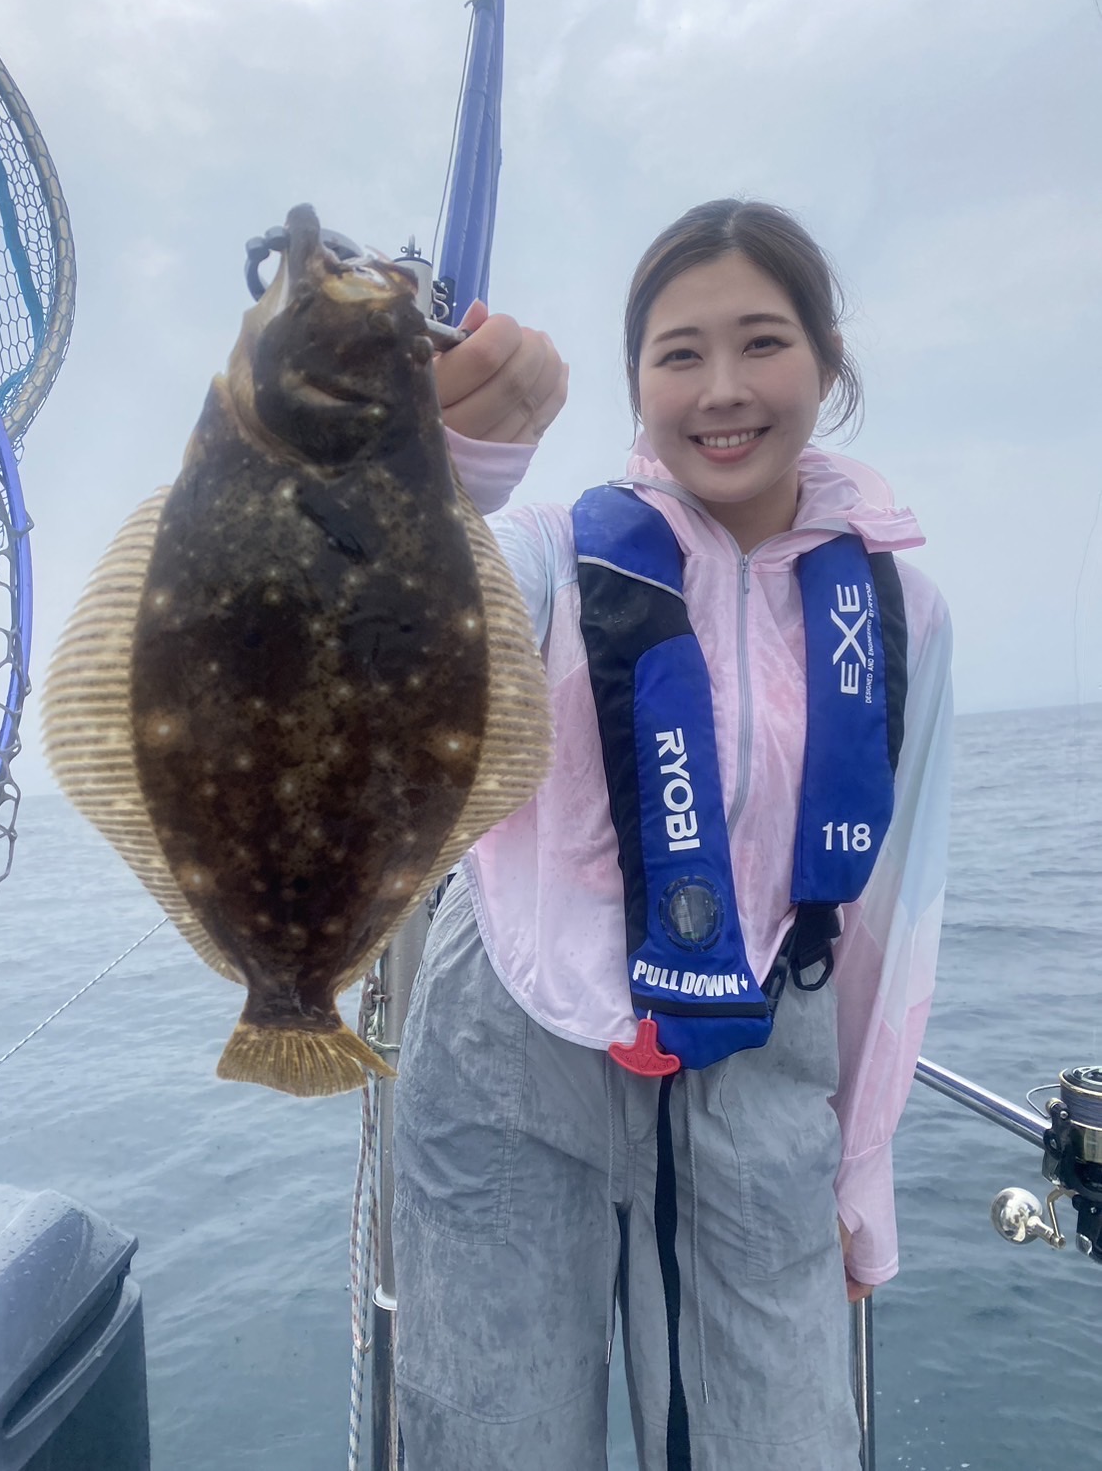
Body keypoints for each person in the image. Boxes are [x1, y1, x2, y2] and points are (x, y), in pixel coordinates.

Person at [390, 199, 953, 1471]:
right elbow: (400, 648)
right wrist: (446, 475)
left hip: (762, 1056)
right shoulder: (547, 551)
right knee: (492, 1439)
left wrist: (862, 1168)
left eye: (762, 342)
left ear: (827, 361)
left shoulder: (899, 611)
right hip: (510, 1046)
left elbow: (894, 921)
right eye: (678, 353)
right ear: (636, 381)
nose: (721, 390)